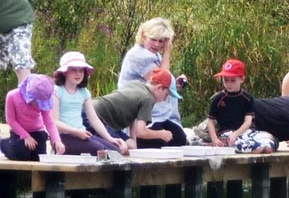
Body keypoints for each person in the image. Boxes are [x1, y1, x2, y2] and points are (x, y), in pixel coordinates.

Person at [117, 17, 188, 146]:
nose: (157, 45)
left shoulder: (152, 55)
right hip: (140, 113)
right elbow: (161, 76)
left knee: (179, 138)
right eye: (153, 39)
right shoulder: (138, 55)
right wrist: (167, 52)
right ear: (144, 36)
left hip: (156, 114)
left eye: (161, 41)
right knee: (167, 141)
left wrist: (174, 85)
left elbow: (161, 83)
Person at [51, 51, 128, 156]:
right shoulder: (56, 91)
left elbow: (94, 119)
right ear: (65, 72)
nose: (78, 74)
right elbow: (54, 122)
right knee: (100, 151)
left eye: (81, 70)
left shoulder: (84, 93)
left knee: (116, 151)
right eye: (73, 70)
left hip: (82, 134)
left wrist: (110, 138)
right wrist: (75, 132)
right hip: (63, 137)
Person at [93, 68, 179, 149]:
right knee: (121, 149)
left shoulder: (137, 85)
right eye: (166, 95)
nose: (165, 99)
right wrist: (161, 134)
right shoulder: (148, 98)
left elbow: (133, 117)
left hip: (97, 112)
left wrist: (134, 143)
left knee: (131, 145)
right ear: (159, 88)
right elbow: (141, 132)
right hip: (99, 118)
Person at [207, 59, 277, 153]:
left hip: (244, 131)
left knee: (269, 141)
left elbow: (248, 121)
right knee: (248, 145)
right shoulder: (218, 99)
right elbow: (211, 121)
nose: (229, 84)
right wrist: (214, 139)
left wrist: (236, 133)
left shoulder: (247, 98)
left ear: (242, 79)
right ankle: (251, 149)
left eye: (233, 80)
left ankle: (255, 147)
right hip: (226, 132)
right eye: (225, 80)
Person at [0, 74, 65, 161]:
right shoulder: (12, 96)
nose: (39, 106)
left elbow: (49, 122)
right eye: (37, 103)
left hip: (37, 132)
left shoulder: (44, 99)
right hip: (19, 133)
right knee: (21, 154)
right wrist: (26, 136)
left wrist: (57, 141)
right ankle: (3, 144)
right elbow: (11, 120)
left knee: (38, 158)